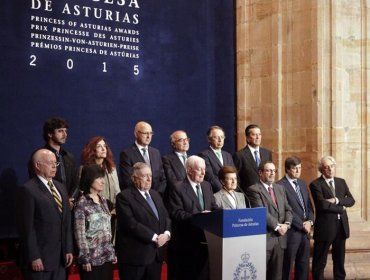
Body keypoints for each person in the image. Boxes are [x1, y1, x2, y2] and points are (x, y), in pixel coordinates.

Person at [17, 149, 73, 280]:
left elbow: (66, 222)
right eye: (50, 163)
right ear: (37, 165)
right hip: (40, 260)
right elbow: (27, 228)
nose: (54, 166)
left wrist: (68, 248)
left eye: (56, 163)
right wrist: (34, 256)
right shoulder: (28, 190)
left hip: (60, 258)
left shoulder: (61, 187)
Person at [116, 162, 171, 280]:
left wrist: (166, 235)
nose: (149, 179)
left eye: (150, 175)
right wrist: (155, 237)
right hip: (136, 257)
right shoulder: (124, 197)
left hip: (156, 256)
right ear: (134, 178)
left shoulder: (156, 195)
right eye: (144, 176)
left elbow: (166, 217)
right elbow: (131, 224)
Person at [168, 155, 219, 280]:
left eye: (204, 169)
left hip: (207, 241)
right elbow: (176, 213)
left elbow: (213, 207)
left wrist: (222, 213)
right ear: (189, 170)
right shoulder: (177, 187)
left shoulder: (207, 186)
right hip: (187, 243)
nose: (203, 172)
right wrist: (199, 217)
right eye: (199, 169)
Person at [310, 156, 355, 280]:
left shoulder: (341, 181)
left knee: (339, 262)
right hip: (325, 228)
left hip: (341, 228)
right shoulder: (315, 184)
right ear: (321, 169)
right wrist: (341, 207)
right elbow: (322, 205)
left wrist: (336, 200)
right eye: (326, 167)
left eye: (332, 166)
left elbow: (351, 200)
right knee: (319, 262)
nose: (330, 169)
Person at [246, 161, 293, 280]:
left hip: (280, 240)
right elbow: (261, 212)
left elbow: (288, 209)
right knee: (261, 275)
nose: (272, 173)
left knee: (277, 276)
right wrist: (278, 227)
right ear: (260, 173)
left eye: (274, 170)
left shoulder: (280, 188)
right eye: (268, 170)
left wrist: (287, 225)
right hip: (265, 240)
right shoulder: (253, 189)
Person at [74, 164, 117, 280]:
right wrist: (85, 258)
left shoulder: (103, 200)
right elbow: (80, 234)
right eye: (98, 178)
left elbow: (107, 228)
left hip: (107, 257)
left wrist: (111, 251)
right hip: (91, 261)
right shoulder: (81, 203)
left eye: (103, 177)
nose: (102, 181)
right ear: (89, 179)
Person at [277, 156, 314, 280]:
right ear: (287, 169)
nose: (298, 171)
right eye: (294, 168)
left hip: (305, 233)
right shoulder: (279, 186)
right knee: (287, 268)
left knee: (303, 267)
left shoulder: (302, 184)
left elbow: (309, 206)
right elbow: (286, 210)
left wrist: (310, 221)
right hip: (292, 233)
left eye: (299, 168)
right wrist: (302, 225)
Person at [80, 136, 120, 241]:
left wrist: (117, 207)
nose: (103, 149)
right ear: (92, 150)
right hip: (95, 216)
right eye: (99, 146)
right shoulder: (85, 168)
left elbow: (117, 190)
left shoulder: (112, 169)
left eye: (104, 146)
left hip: (113, 212)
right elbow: (82, 191)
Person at [28, 117, 78, 199]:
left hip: (68, 205)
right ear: (50, 134)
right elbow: (36, 182)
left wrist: (70, 200)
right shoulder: (39, 156)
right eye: (60, 131)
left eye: (65, 131)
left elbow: (76, 183)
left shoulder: (69, 157)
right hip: (47, 203)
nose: (65, 134)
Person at [119, 121, 167, 195]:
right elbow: (128, 180)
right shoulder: (127, 154)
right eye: (145, 133)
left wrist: (155, 195)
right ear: (136, 134)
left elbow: (163, 179)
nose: (148, 136)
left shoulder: (156, 153)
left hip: (157, 197)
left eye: (150, 133)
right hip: (137, 198)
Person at [233, 124, 272, 192]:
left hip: (266, 194)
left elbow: (271, 173)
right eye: (254, 135)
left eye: (259, 134)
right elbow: (236, 178)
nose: (258, 137)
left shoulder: (267, 153)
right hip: (248, 195)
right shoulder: (239, 155)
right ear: (247, 138)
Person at [199, 126, 235, 193]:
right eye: (216, 137)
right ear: (209, 139)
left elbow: (234, 174)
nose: (220, 140)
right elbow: (210, 178)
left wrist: (233, 190)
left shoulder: (228, 155)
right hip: (216, 193)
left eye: (222, 137)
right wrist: (224, 191)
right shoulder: (204, 155)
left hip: (230, 192)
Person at [162, 130, 189, 196]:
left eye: (186, 139)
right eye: (181, 140)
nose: (185, 143)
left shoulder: (193, 158)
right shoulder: (166, 159)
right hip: (179, 195)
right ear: (173, 144)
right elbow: (172, 181)